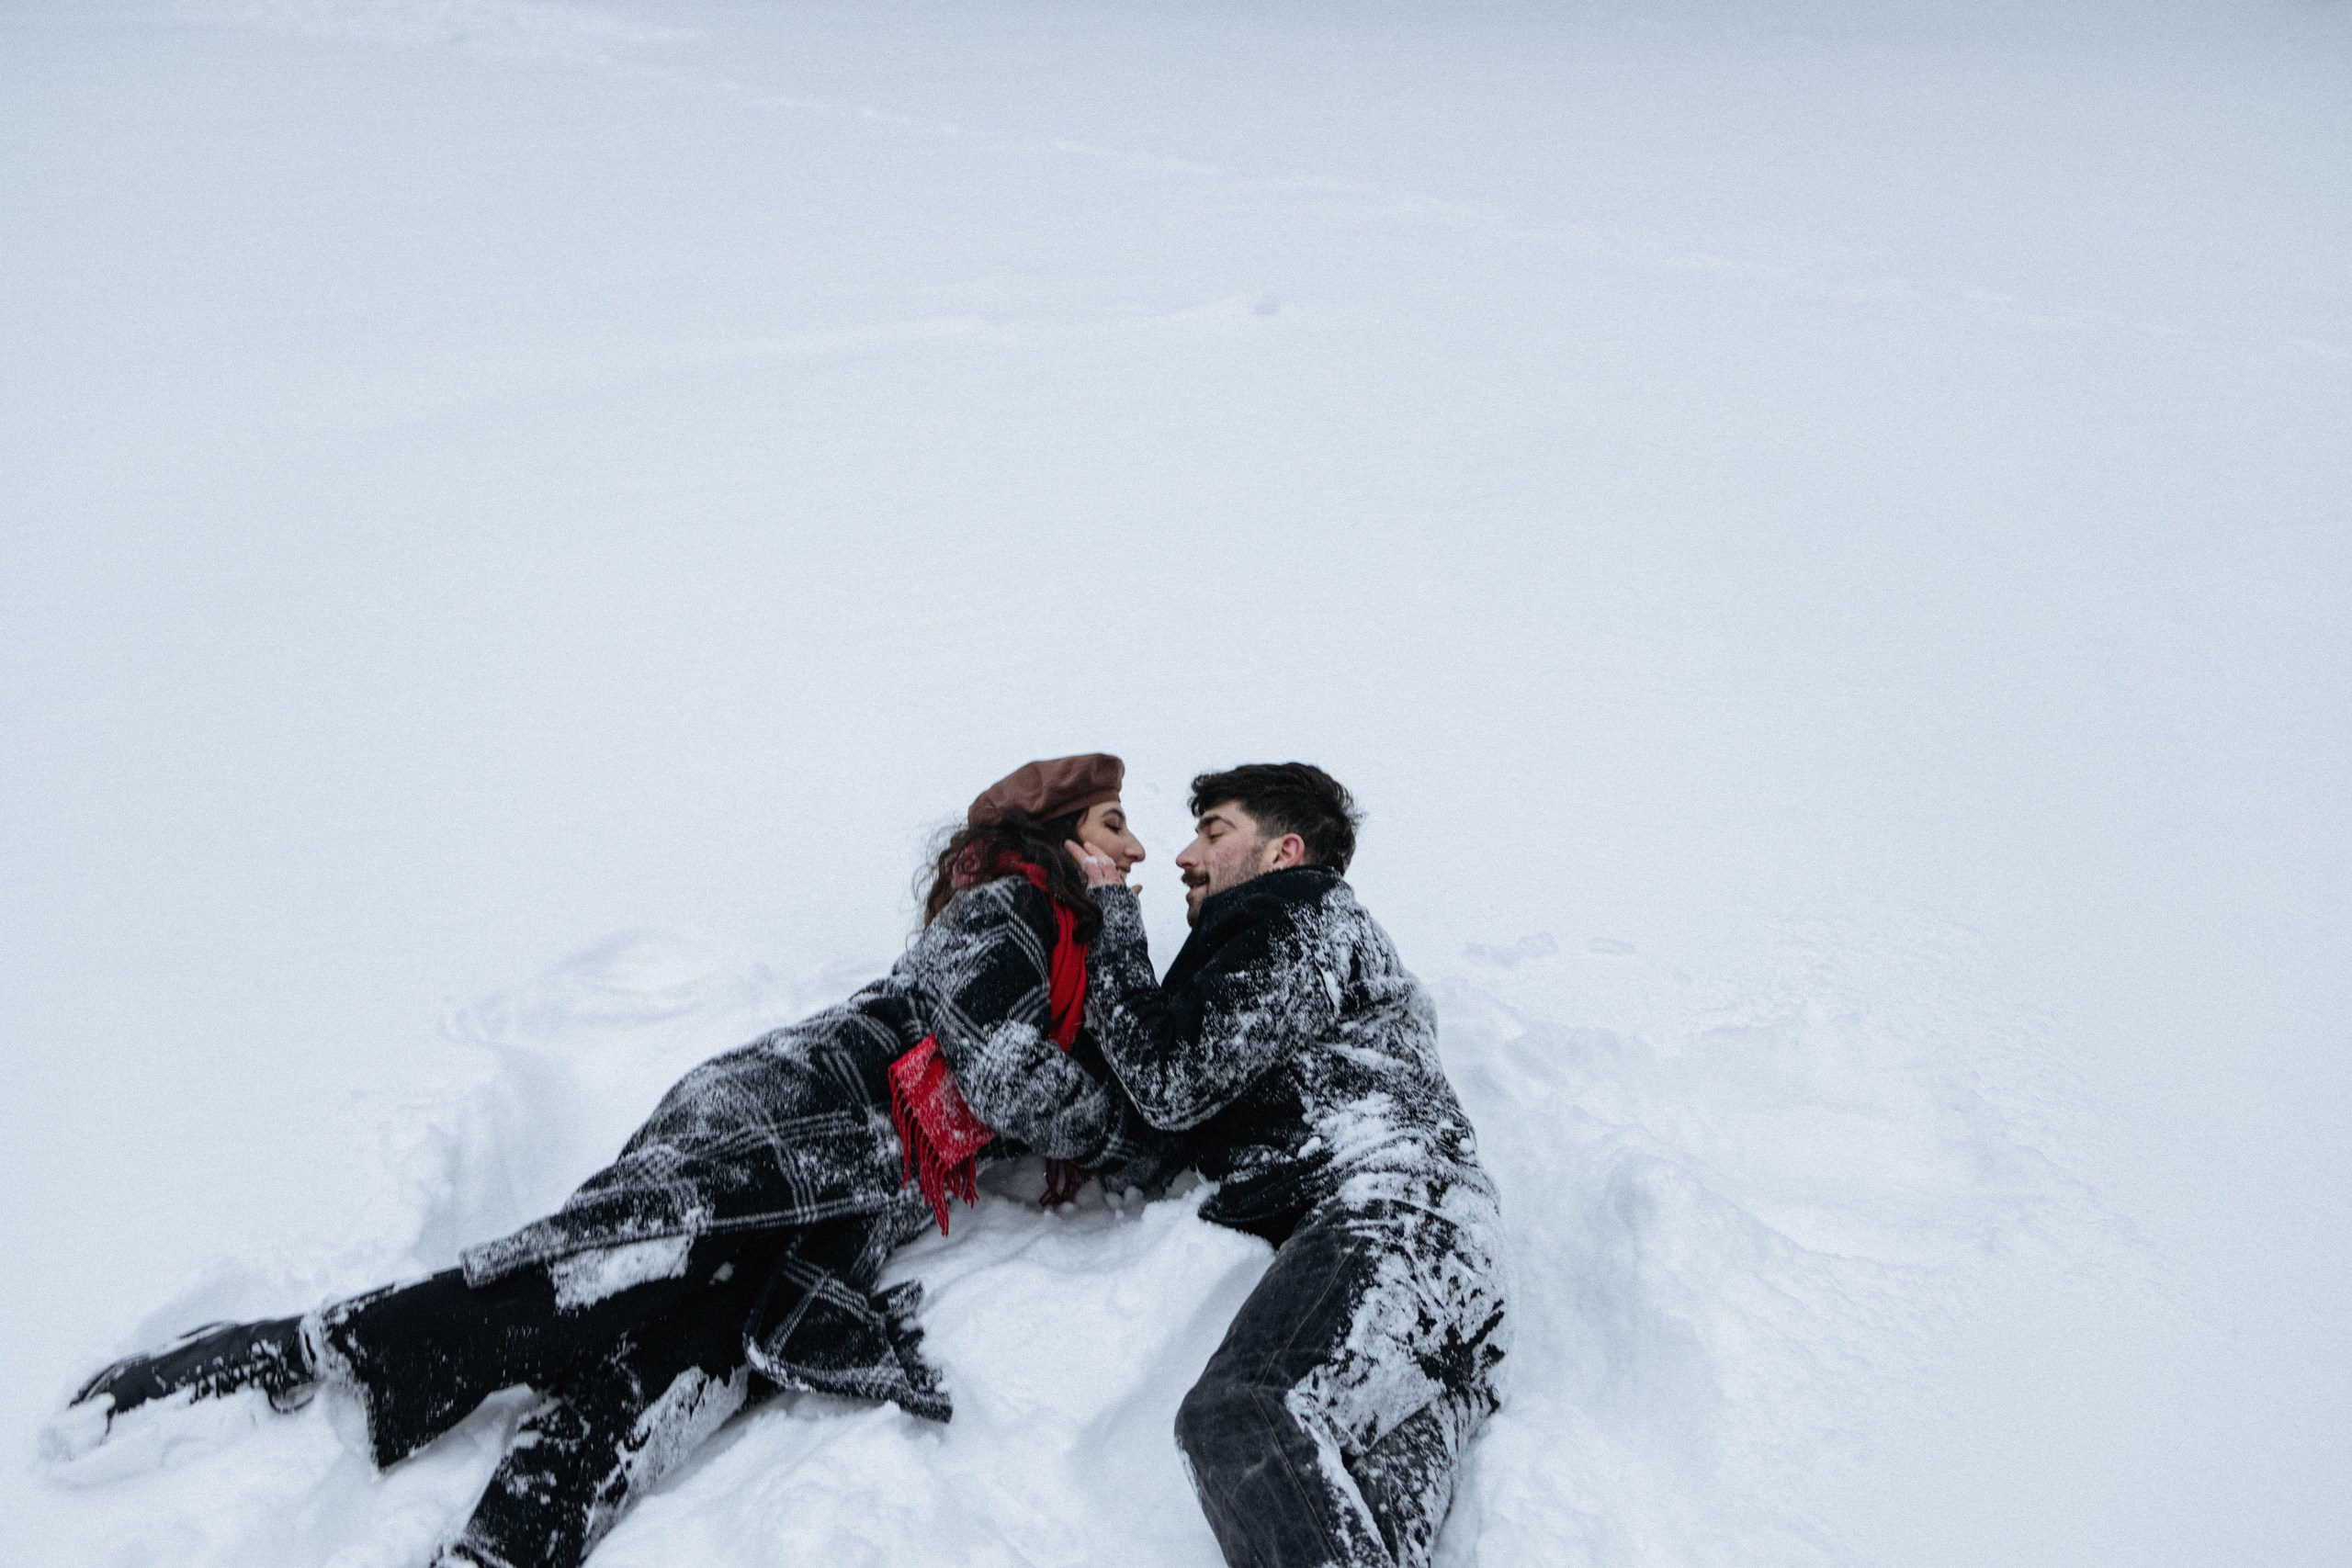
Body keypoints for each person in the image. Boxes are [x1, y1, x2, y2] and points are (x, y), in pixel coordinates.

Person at [60, 754, 1181, 1568]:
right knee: (607, 1272)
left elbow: (1072, 1066)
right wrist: (1127, 1137)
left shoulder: (1076, 954)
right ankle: (301, 1347)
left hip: (845, 1184)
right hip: (793, 1109)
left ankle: (511, 1543)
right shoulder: (1014, 913)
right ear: (1056, 838)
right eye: (1116, 822)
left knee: (678, 1366)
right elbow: (996, 1069)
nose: (1135, 849)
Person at [1067, 762, 1510, 1568]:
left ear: (1283, 852)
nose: (1182, 856)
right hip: (1443, 1282)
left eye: (1214, 831)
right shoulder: (1287, 959)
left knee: (1242, 1412)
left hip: (1396, 1216)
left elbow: (1173, 1079)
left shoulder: (1298, 914)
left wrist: (1107, 920)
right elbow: (1169, 1102)